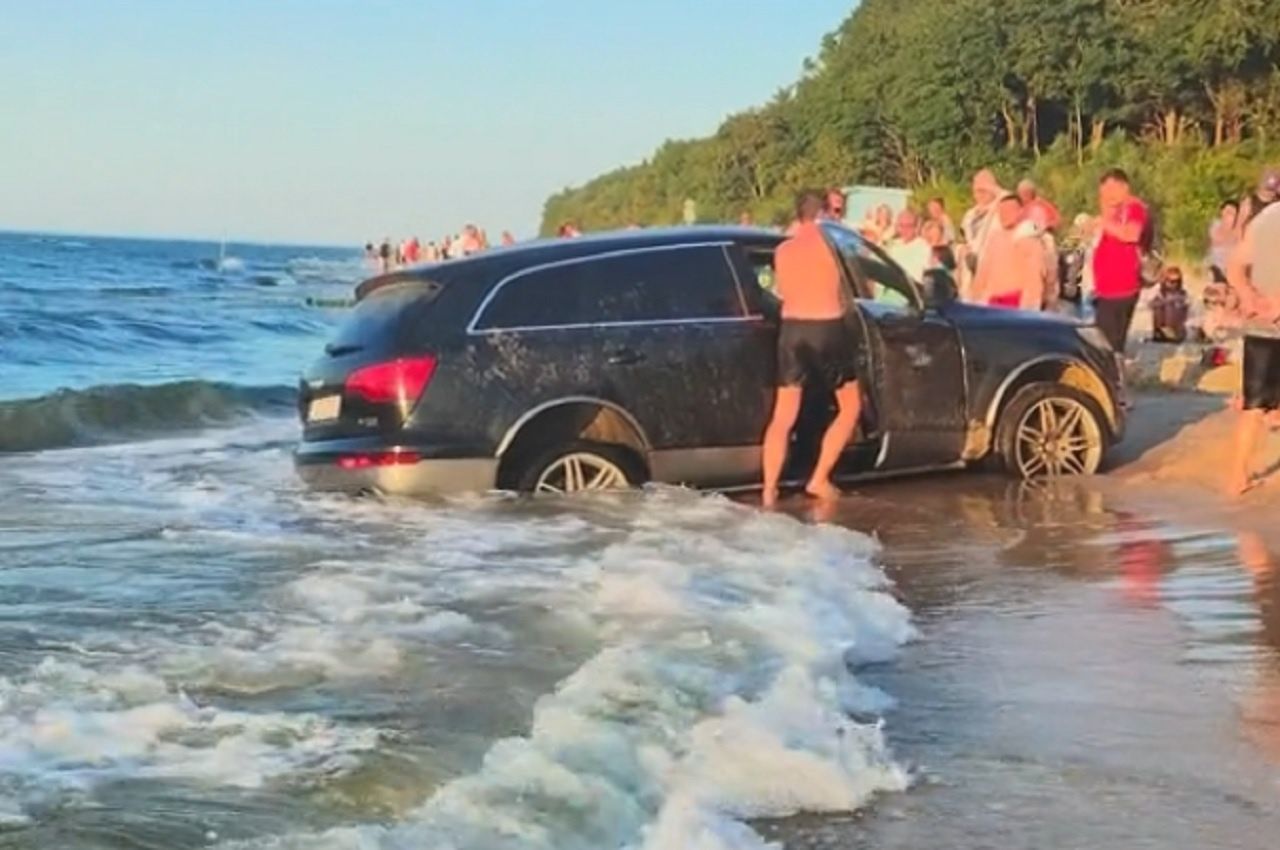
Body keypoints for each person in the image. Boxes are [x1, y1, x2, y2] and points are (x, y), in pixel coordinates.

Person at [761, 190, 863, 507]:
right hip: (827, 328)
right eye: (833, 212)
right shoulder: (835, 247)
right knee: (850, 407)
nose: (837, 217)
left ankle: (768, 490)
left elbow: (781, 290)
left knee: (782, 417)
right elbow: (860, 288)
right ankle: (819, 478)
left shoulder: (783, 250)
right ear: (821, 214)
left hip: (792, 333)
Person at [1225, 171, 1280, 496]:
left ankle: (1238, 476)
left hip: (1261, 325)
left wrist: (1249, 297)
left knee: (1253, 406)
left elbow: (1234, 266)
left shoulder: (1261, 222)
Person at [1092, 169, 1148, 356]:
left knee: (1108, 345)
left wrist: (1102, 222)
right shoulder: (1116, 211)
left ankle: (1113, 380)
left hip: (1120, 287)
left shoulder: (1133, 207)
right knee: (1105, 342)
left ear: (1124, 187)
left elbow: (1132, 234)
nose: (1106, 196)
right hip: (1106, 288)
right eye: (1103, 192)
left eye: (1110, 190)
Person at [970, 194, 1045, 310]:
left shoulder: (1027, 237)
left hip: (1017, 304)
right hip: (992, 302)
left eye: (1008, 210)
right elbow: (982, 273)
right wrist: (974, 300)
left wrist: (1030, 308)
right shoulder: (994, 237)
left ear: (1020, 211)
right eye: (1001, 211)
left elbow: (1034, 277)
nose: (1003, 215)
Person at [958, 169, 1004, 298]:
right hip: (969, 270)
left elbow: (1008, 197)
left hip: (992, 271)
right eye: (977, 190)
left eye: (984, 190)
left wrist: (992, 188)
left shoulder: (999, 209)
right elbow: (964, 238)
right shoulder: (969, 214)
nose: (980, 194)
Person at [887, 209, 931, 282]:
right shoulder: (892, 245)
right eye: (901, 225)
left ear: (916, 227)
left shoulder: (924, 247)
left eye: (909, 225)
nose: (905, 229)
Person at [1149, 266, 1190, 343]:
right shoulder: (1160, 292)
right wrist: (1166, 301)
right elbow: (1150, 304)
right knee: (1160, 306)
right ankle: (1161, 332)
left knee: (1173, 306)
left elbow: (1187, 309)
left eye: (1177, 281)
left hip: (1177, 330)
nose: (1174, 284)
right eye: (1170, 281)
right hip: (1162, 327)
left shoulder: (1182, 293)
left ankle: (1172, 333)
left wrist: (1179, 302)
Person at [1207, 200, 1239, 283]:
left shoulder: (1239, 229)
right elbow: (1217, 239)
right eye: (1227, 212)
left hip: (1232, 269)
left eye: (1232, 213)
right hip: (1216, 267)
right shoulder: (1215, 225)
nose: (1229, 215)